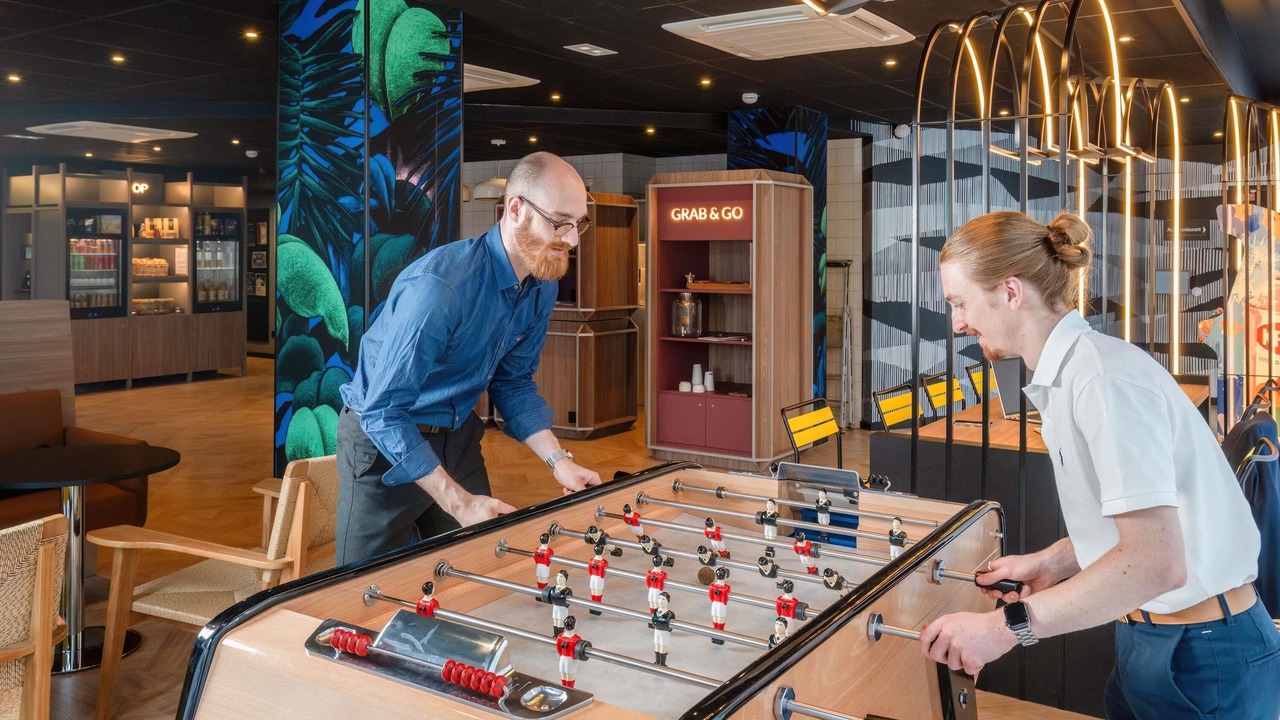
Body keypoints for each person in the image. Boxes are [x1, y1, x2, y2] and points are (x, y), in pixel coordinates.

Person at [920, 210, 1280, 720]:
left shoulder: (1102, 381)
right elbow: (1144, 527)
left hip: (1205, 653)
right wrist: (1054, 561)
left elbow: (1157, 561)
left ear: (1011, 291)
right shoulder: (1076, 374)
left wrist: (1004, 629)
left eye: (960, 302)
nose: (957, 322)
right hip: (1151, 638)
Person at [335, 152, 603, 564]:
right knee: (363, 592)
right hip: (384, 442)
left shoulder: (541, 280)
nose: (572, 240)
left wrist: (558, 461)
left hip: (457, 435)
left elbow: (512, 383)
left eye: (579, 223)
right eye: (560, 222)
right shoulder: (442, 287)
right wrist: (459, 504)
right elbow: (384, 410)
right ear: (515, 209)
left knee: (472, 568)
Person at [651, 592, 676, 666]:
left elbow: (671, 627)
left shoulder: (670, 614)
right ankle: (657, 662)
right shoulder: (655, 611)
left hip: (664, 633)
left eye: (663, 599)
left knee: (663, 647)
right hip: (657, 631)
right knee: (657, 646)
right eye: (659, 598)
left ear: (667, 601)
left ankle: (662, 664)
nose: (660, 601)